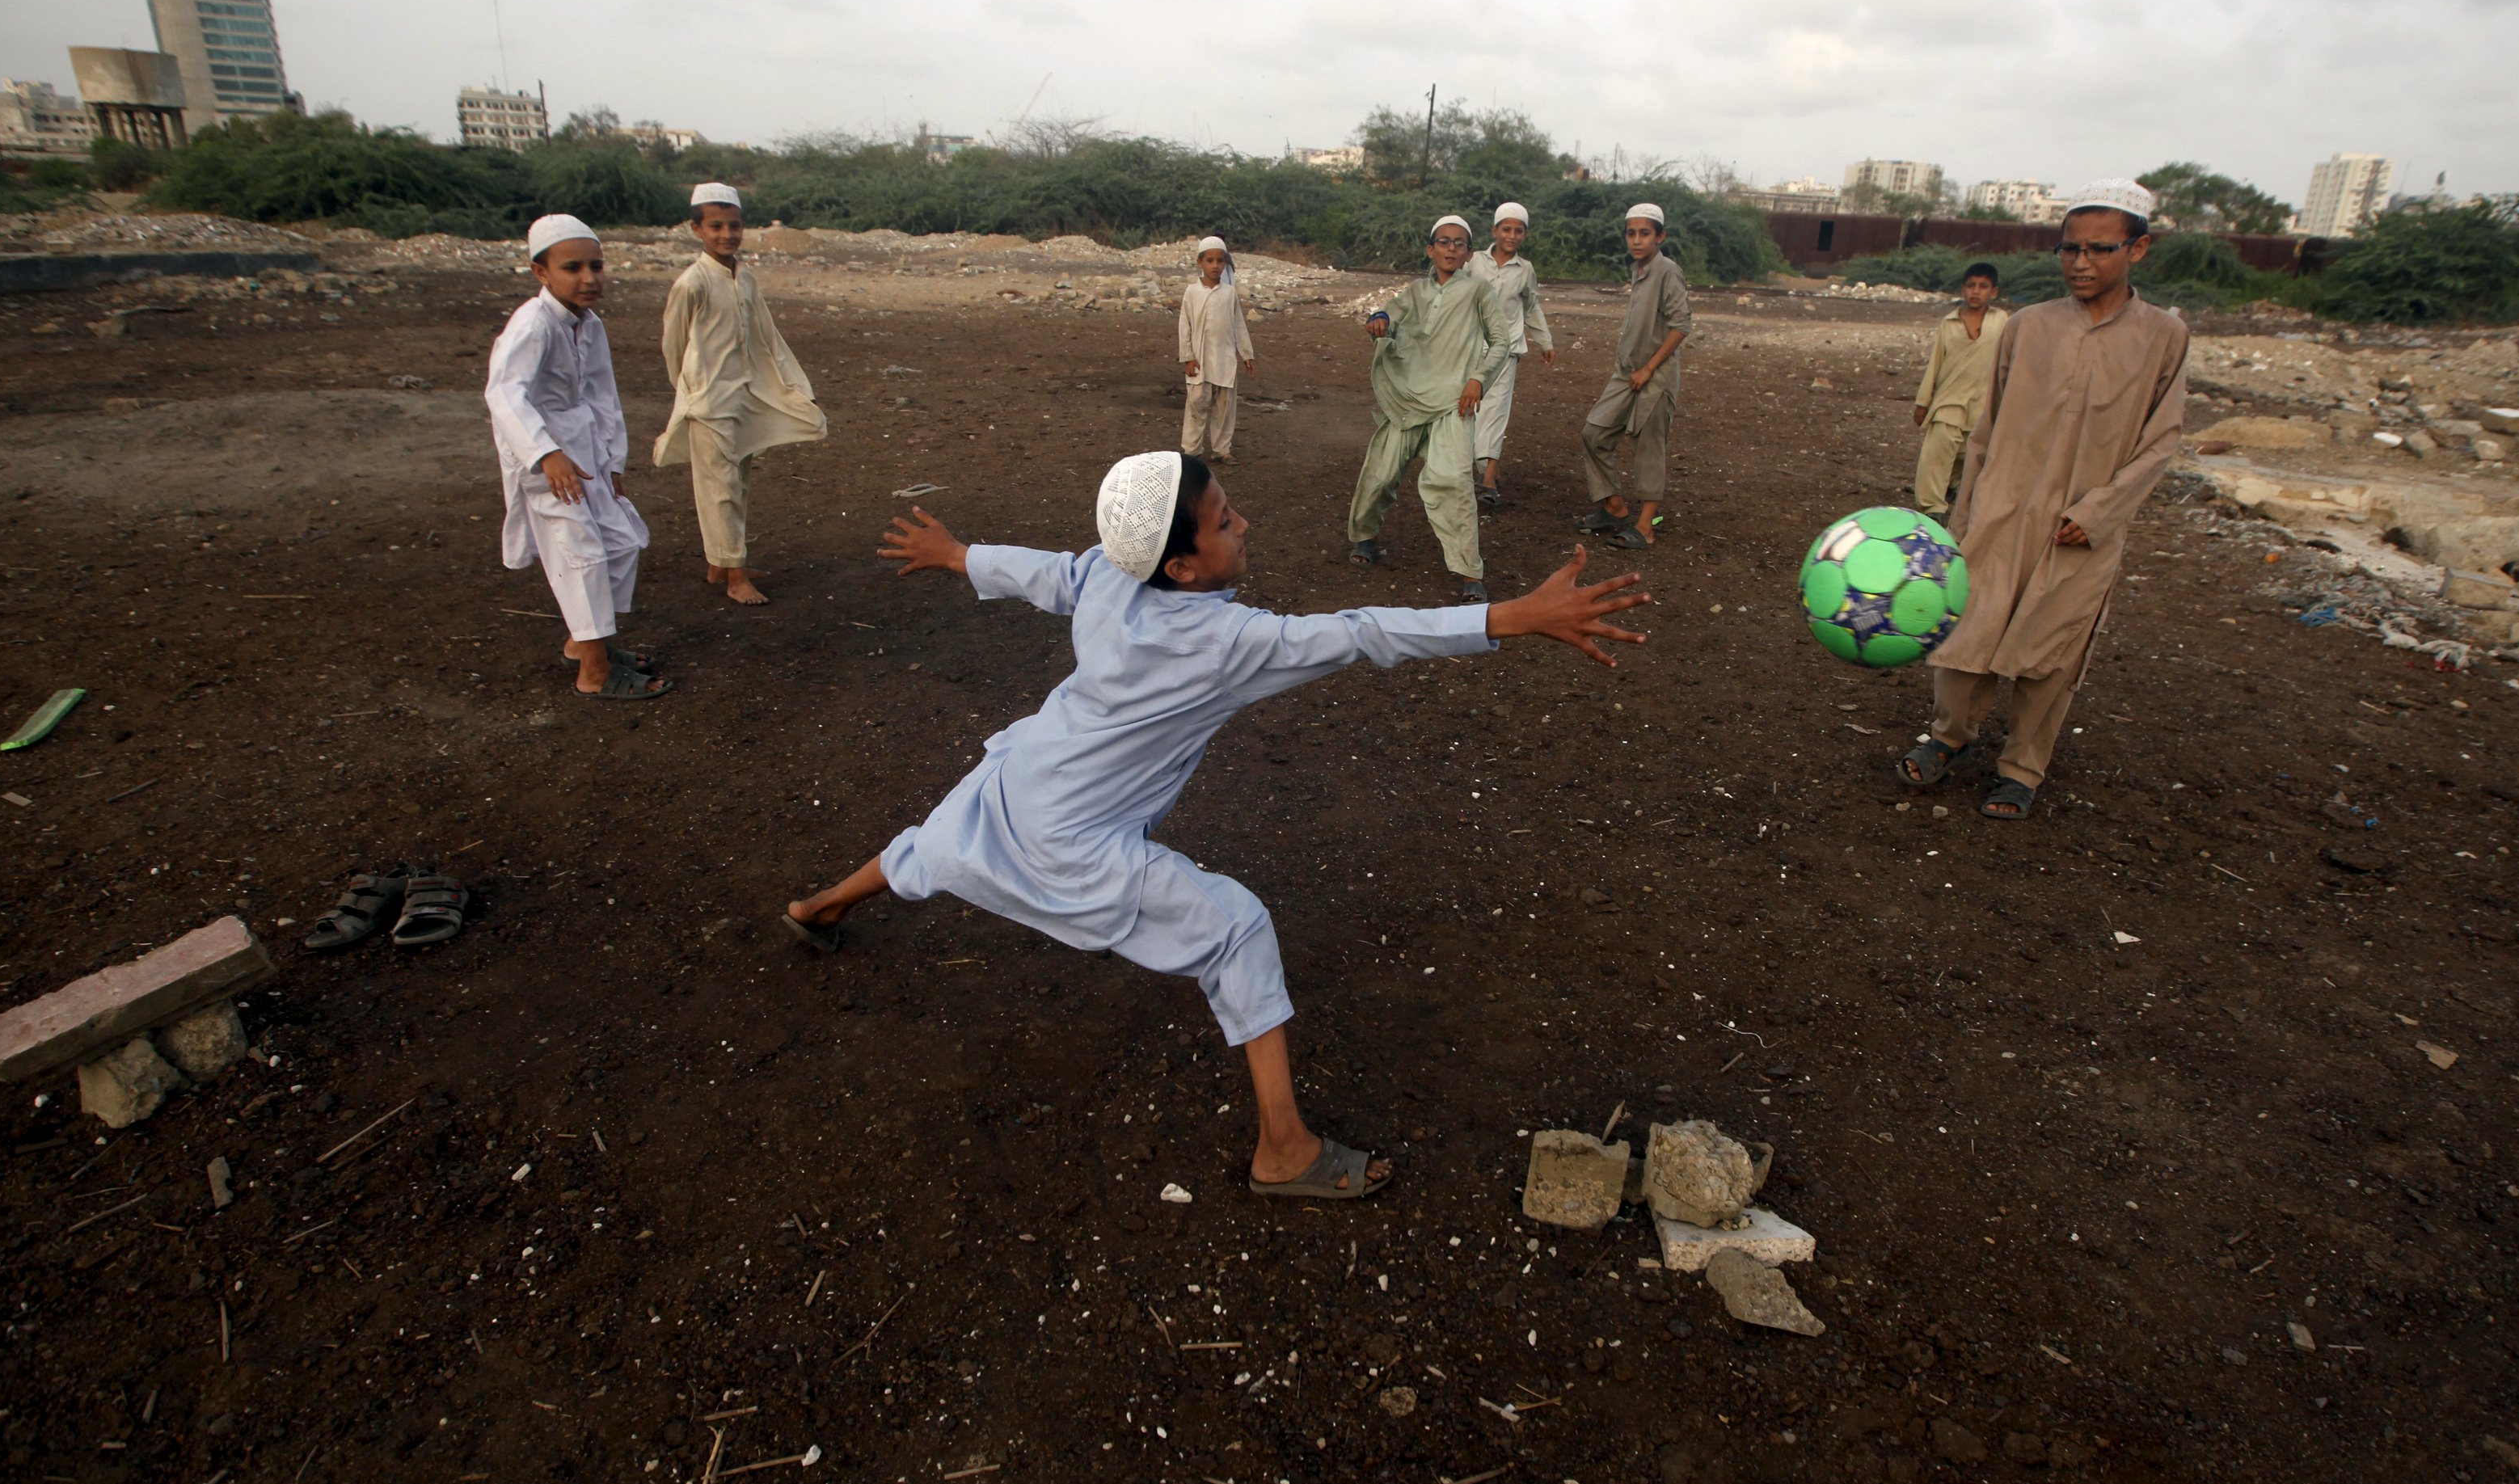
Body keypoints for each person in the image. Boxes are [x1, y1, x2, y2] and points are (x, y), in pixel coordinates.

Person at [781, 452, 1649, 1199]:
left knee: (937, 841)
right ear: (1185, 568)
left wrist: (957, 555)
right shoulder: (1229, 642)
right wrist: (1509, 617)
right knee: (1235, 928)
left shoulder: (1107, 573)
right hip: (1074, 838)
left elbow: (1044, 572)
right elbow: (1362, 634)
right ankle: (1284, 1151)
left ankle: (819, 905)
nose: (1246, 524)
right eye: (1226, 521)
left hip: (1030, 771)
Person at [1896, 179, 2188, 820]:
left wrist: (2100, 512)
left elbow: (2161, 441)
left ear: (2139, 249)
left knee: (2050, 652)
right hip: (2003, 511)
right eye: (2069, 249)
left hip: (2080, 527)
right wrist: (1967, 515)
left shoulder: (2163, 336)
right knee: (1970, 630)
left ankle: (2022, 768)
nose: (2080, 263)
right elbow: (1986, 431)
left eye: (2099, 249)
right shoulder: (2028, 327)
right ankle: (1948, 738)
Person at [484, 215, 665, 698]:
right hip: (547, 455)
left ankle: (586, 644)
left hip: (586, 451)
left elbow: (602, 394)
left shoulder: (590, 324)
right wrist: (545, 455)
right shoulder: (533, 323)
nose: (589, 278)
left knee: (620, 543)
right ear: (541, 273)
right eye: (572, 267)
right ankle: (594, 673)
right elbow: (504, 393)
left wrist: (613, 460)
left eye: (596, 265)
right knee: (580, 552)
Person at [656, 180, 829, 606]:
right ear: (697, 229)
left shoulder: (745, 278)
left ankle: (722, 563)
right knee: (721, 490)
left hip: (745, 396)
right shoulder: (692, 283)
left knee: (739, 482)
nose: (726, 234)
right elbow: (672, 346)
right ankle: (735, 576)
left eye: (734, 226)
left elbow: (767, 336)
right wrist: (691, 387)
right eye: (716, 226)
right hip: (709, 402)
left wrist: (794, 385)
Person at [1348, 214, 1509, 602]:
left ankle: (1470, 572)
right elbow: (1389, 314)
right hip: (1408, 397)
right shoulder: (1416, 291)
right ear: (1430, 249)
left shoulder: (1478, 291)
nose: (1451, 248)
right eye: (1444, 242)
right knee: (1381, 474)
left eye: (1459, 243)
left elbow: (1501, 341)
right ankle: (1364, 537)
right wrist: (1380, 320)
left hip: (1454, 402)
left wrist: (1478, 379)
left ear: (1469, 254)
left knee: (1452, 482)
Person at [1576, 201, 1690, 550]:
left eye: (1645, 233)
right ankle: (1614, 507)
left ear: (1660, 236)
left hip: (1654, 376)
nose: (1637, 240)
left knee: (1649, 448)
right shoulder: (1639, 270)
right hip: (1625, 375)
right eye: (1631, 233)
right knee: (1593, 433)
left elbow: (1681, 325)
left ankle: (1645, 526)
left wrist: (1649, 368)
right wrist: (1633, 369)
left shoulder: (1667, 270)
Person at [1470, 200, 1555, 507]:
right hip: (1469, 348)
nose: (1512, 235)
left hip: (1506, 350)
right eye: (1506, 229)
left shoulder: (1525, 270)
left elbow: (1531, 306)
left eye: (1518, 231)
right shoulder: (1474, 262)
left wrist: (1544, 341)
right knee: (1469, 409)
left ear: (1525, 235)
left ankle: (1489, 481)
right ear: (1494, 231)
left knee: (1495, 413)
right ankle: (1473, 469)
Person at [1912, 262, 2009, 517]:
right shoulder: (1949, 323)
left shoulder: (2001, 322)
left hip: (1983, 402)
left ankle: (1954, 489)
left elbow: (2010, 360)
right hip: (1949, 401)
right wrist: (1923, 402)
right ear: (1963, 290)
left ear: (1994, 292)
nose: (1976, 292)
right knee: (1937, 455)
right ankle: (1932, 507)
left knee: (1970, 455)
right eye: (1971, 286)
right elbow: (1935, 364)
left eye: (1983, 287)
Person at [1176, 236, 1256, 462]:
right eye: (1210, 260)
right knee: (1196, 406)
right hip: (1200, 360)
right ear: (1200, 262)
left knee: (1224, 408)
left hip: (1225, 360)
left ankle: (1222, 450)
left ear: (1225, 264)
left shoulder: (1229, 293)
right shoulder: (1192, 292)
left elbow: (1239, 324)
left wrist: (1246, 354)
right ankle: (1191, 450)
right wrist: (1187, 357)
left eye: (1220, 261)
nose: (1215, 266)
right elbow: (1185, 326)